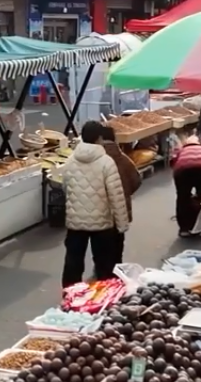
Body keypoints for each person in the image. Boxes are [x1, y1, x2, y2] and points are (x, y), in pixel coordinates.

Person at [61, 121, 129, 287]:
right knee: (104, 264)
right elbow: (116, 195)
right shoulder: (106, 162)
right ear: (99, 138)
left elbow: (65, 187)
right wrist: (121, 225)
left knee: (73, 262)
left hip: (76, 222)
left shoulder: (70, 160)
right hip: (102, 223)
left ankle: (70, 294)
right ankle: (104, 294)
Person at [99, 126, 141, 263]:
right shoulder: (124, 159)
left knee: (101, 243)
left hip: (100, 210)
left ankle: (102, 268)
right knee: (118, 240)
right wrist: (125, 193)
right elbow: (136, 180)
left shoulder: (96, 160)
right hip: (120, 210)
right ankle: (117, 266)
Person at [170, 135, 201, 237]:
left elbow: (174, 164)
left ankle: (184, 229)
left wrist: (181, 187)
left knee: (182, 198)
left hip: (182, 171)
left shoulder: (181, 150)